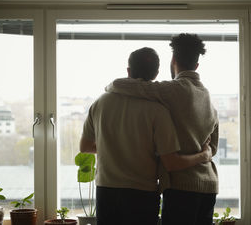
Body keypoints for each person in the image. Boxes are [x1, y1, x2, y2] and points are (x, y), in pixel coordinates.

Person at [80, 47, 212, 225]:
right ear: (156, 74)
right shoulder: (158, 110)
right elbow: (171, 162)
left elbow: (85, 146)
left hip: (106, 190)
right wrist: (204, 155)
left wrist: (112, 147)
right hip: (142, 194)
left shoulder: (100, 103)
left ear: (128, 71)